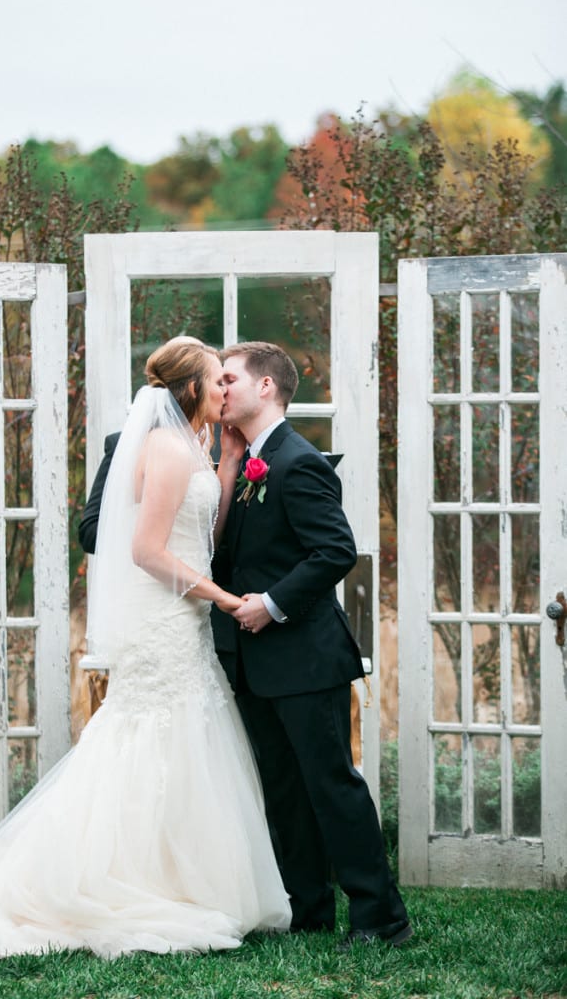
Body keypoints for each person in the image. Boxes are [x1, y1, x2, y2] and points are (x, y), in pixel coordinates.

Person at [0, 339, 291, 959]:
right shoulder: (162, 446)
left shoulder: (197, 446)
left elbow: (198, 539)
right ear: (192, 389)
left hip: (180, 616)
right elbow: (146, 550)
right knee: (148, 739)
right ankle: (107, 879)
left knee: (187, 742)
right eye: (218, 381)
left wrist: (229, 469)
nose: (225, 391)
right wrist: (222, 598)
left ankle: (178, 878)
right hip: (163, 618)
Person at [215, 341, 412, 950]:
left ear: (266, 387)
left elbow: (334, 551)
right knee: (283, 789)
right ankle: (309, 910)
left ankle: (381, 916)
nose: (219, 389)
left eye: (229, 379)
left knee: (331, 786)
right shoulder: (247, 462)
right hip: (255, 665)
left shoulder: (297, 461)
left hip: (304, 658)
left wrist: (270, 605)